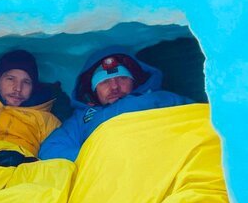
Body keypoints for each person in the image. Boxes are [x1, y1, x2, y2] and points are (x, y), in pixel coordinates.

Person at [38, 47, 193, 162]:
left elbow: (199, 118)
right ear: (93, 90)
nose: (114, 87)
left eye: (122, 79)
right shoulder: (82, 118)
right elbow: (50, 149)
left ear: (134, 82)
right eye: (104, 82)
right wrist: (97, 156)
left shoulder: (159, 98)